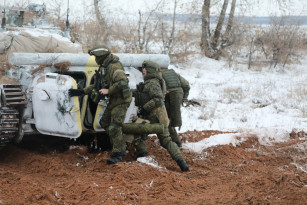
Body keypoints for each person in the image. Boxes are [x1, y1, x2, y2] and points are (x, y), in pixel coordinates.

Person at [69, 45, 132, 164]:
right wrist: (82, 91)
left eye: (96, 57)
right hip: (114, 100)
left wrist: (109, 91)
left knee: (114, 126)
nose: (95, 59)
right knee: (104, 122)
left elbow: (123, 83)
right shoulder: (104, 67)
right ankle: (118, 143)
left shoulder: (114, 67)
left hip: (121, 100)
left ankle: (119, 152)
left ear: (101, 57)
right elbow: (96, 85)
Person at [133, 60, 189, 172]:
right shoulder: (160, 81)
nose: (143, 71)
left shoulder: (151, 83)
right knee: (167, 141)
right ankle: (182, 163)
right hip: (162, 117)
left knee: (136, 133)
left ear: (146, 70)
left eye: (144, 69)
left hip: (152, 117)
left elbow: (157, 99)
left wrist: (145, 108)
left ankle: (143, 156)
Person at [161, 66, 190, 147]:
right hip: (178, 95)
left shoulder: (157, 75)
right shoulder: (173, 73)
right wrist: (184, 97)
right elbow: (186, 85)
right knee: (172, 118)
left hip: (169, 97)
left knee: (166, 119)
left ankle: (175, 141)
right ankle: (175, 140)